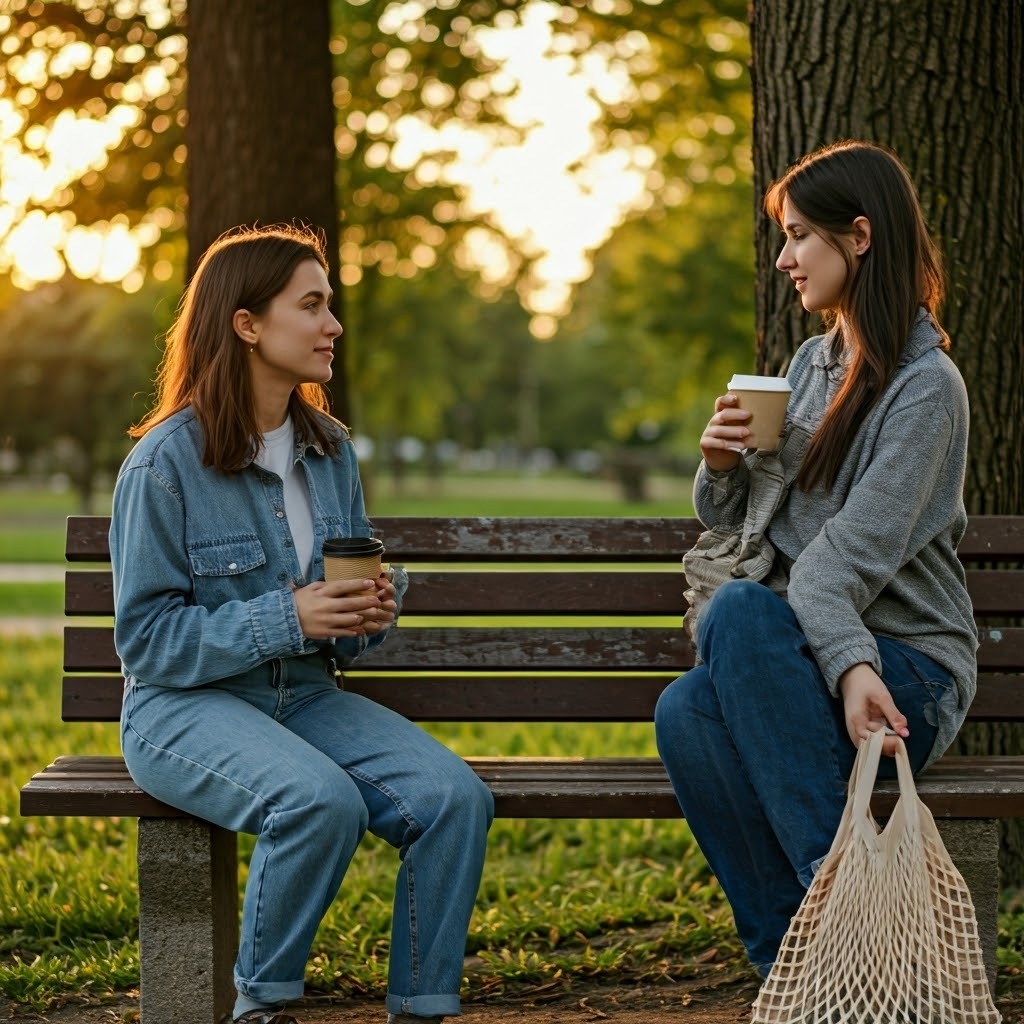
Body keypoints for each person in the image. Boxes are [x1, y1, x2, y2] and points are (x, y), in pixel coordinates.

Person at [109, 224, 494, 1024]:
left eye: (331, 306)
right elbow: (147, 644)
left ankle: (423, 1008)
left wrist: (368, 610)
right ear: (248, 324)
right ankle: (261, 1008)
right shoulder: (163, 465)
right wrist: (288, 616)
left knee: (455, 799)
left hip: (306, 697)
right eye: (311, 305)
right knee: (319, 801)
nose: (333, 326)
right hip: (184, 707)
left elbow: (342, 626)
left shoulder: (330, 450)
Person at [654, 141, 978, 979]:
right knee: (685, 711)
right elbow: (751, 523)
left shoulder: (926, 389)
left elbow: (839, 563)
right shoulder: (808, 366)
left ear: (860, 236)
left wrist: (849, 668)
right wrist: (719, 465)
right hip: (804, 660)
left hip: (906, 674)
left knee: (740, 612)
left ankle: (836, 921)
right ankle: (794, 968)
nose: (786, 259)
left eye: (800, 237)